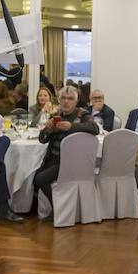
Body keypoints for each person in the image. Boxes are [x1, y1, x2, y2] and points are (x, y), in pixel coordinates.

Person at [31, 86, 100, 214]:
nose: (66, 101)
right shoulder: (57, 115)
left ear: (76, 101)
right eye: (63, 98)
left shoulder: (82, 114)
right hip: (53, 160)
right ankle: (51, 209)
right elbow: (42, 139)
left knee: (41, 179)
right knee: (33, 178)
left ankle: (59, 210)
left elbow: (94, 128)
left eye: (70, 99)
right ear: (59, 100)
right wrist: (48, 129)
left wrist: (72, 126)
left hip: (71, 162)